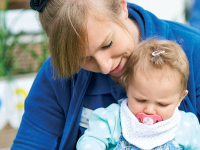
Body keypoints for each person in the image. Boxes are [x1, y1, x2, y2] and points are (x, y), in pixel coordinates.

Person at [11, 0, 200, 149]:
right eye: (84, 58)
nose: (104, 67)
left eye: (107, 44)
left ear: (121, 6)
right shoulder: (56, 74)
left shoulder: (194, 52)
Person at [76, 39, 200, 150]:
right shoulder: (113, 119)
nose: (150, 110)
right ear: (128, 87)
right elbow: (91, 140)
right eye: (141, 100)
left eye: (162, 104)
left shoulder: (186, 126)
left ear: (180, 98)